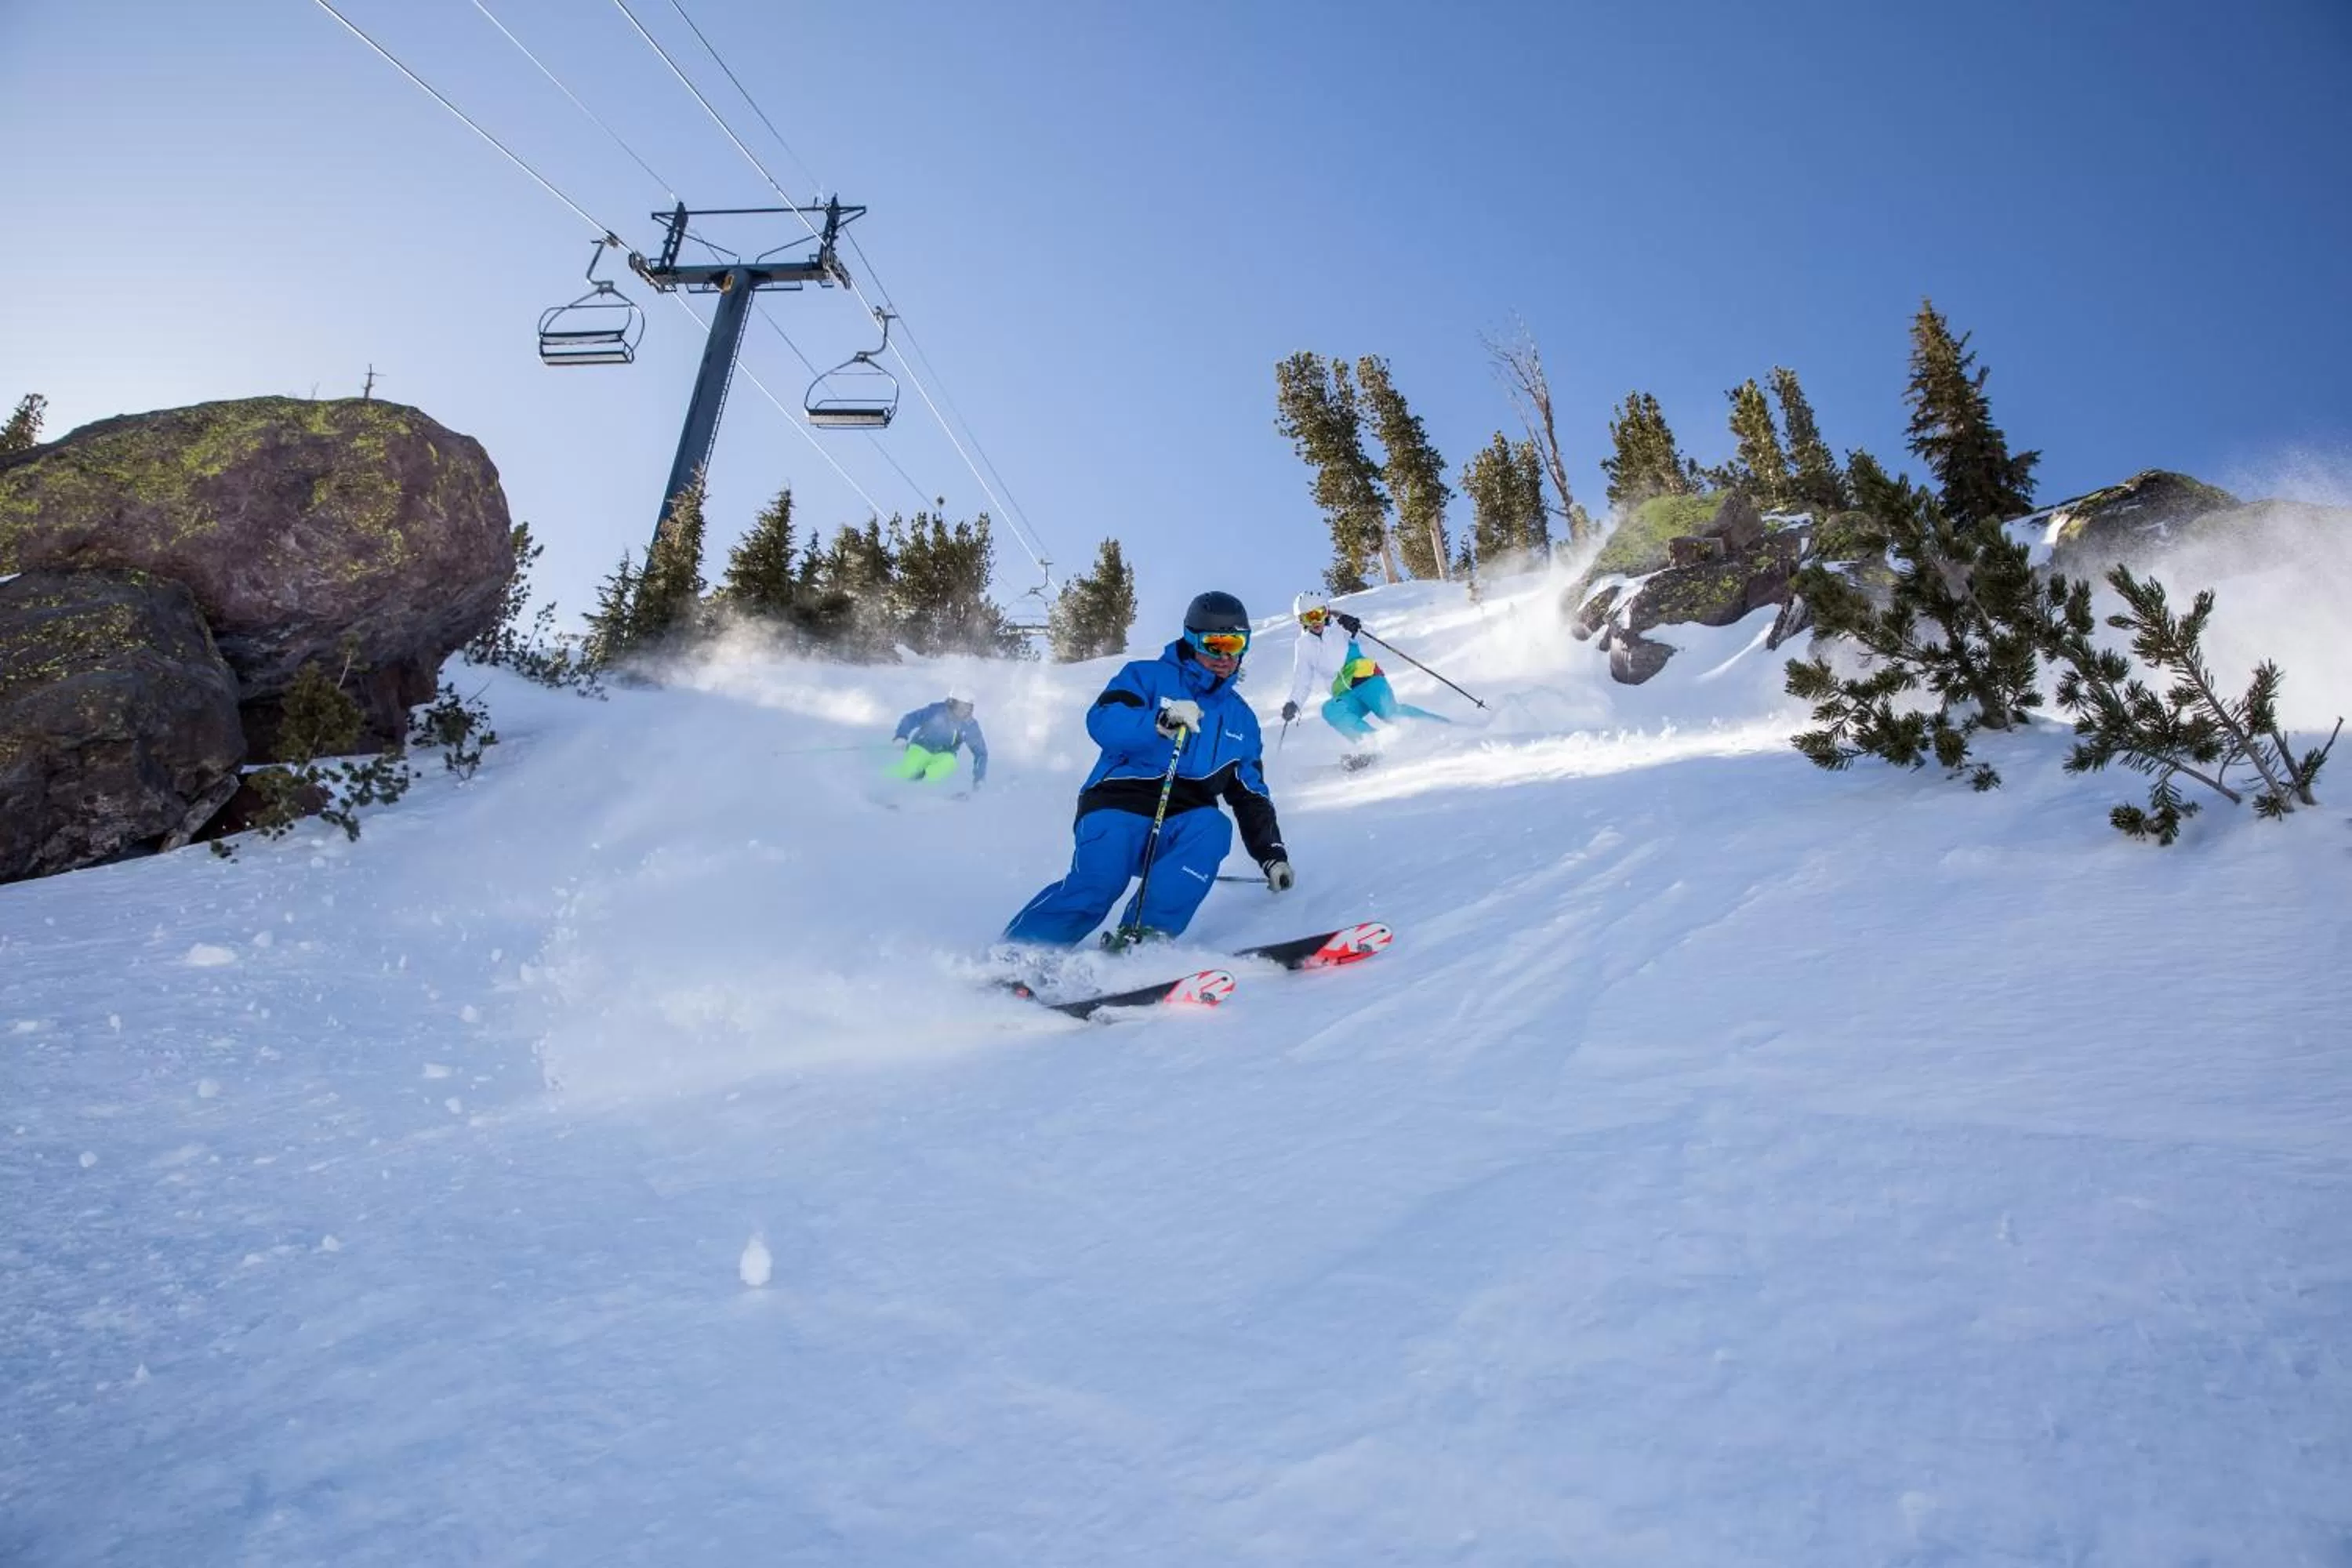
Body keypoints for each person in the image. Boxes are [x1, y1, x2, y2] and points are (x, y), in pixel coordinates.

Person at [1004, 591, 1293, 947]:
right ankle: (1021, 952)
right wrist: (1158, 722)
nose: (1225, 656)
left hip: (1184, 816)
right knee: (1100, 883)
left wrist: (1272, 855)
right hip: (1119, 800)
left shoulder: (1242, 719)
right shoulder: (1145, 677)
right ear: (1192, 639)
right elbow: (1103, 720)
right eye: (1214, 644)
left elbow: (1250, 794)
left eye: (1235, 643)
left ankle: (1141, 941)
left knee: (1213, 827)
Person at [1279, 590, 1447, 745]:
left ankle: (1443, 727)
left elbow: (1370, 636)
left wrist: (1355, 627)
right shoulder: (1303, 645)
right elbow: (1303, 679)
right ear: (1301, 621)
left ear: (1327, 612)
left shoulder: (1340, 625)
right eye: (1308, 618)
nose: (1316, 621)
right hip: (1345, 694)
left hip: (1368, 681)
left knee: (1390, 713)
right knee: (1331, 710)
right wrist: (1294, 703)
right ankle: (1374, 743)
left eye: (1319, 614)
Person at [889, 688, 987, 791]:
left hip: (945, 754)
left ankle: (922, 790)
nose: (964, 712)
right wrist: (901, 736)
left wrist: (979, 778)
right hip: (921, 747)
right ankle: (889, 784)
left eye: (968, 708)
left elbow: (980, 753)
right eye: (961, 707)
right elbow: (910, 719)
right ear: (951, 704)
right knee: (910, 769)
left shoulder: (969, 725)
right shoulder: (936, 711)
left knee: (946, 765)